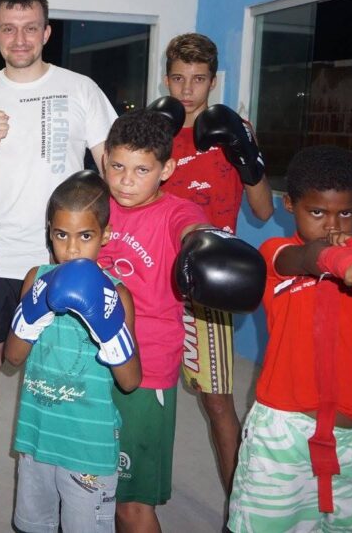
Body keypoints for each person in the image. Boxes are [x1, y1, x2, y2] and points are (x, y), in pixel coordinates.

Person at [0, 0, 118, 512]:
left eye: (30, 27)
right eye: (8, 28)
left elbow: (112, 168)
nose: (19, 38)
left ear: (46, 32)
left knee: (74, 364)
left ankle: (77, 462)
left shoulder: (81, 88)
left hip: (66, 255)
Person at [228, 145, 352, 533]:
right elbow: (308, 257)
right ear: (290, 205)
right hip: (281, 437)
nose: (333, 226)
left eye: (346, 213)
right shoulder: (277, 254)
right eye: (317, 212)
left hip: (350, 444)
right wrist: (343, 261)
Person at [97, 109, 265, 532]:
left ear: (166, 169)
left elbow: (192, 227)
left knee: (131, 503)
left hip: (146, 367)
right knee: (93, 487)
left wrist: (202, 245)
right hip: (90, 365)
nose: (126, 180)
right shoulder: (97, 207)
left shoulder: (175, 212)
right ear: (104, 162)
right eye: (117, 166)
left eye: (141, 170)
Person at [156, 32, 274, 495]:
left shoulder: (235, 129)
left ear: (213, 81)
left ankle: (240, 506)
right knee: (140, 392)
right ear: (167, 78)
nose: (188, 91)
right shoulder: (154, 130)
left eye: (199, 80)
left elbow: (263, 211)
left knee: (218, 401)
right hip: (156, 276)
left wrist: (246, 155)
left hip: (213, 281)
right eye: (180, 79)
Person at [4, 172, 141, 533]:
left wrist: (110, 333)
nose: (72, 249)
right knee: (34, 526)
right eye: (61, 235)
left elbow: (130, 382)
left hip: (88, 450)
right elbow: (13, 358)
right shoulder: (37, 278)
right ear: (49, 231)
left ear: (105, 235)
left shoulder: (117, 294)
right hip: (37, 437)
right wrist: (32, 316)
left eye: (85, 236)